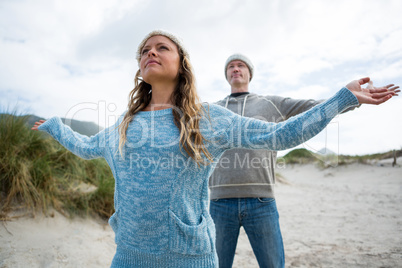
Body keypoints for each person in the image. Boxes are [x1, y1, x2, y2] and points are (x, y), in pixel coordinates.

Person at [32, 30, 398, 268]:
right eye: (145, 50)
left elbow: (281, 135)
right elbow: (84, 147)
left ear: (181, 65)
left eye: (162, 47)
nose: (151, 52)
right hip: (127, 257)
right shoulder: (123, 126)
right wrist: (54, 127)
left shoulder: (207, 118)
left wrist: (342, 99)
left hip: (189, 257)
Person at [209, 54, 399, 268]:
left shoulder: (272, 103)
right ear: (226, 74)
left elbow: (315, 106)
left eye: (240, 65)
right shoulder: (214, 109)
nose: (235, 69)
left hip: (260, 201)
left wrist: (351, 98)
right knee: (214, 265)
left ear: (249, 73)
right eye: (231, 66)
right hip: (219, 202)